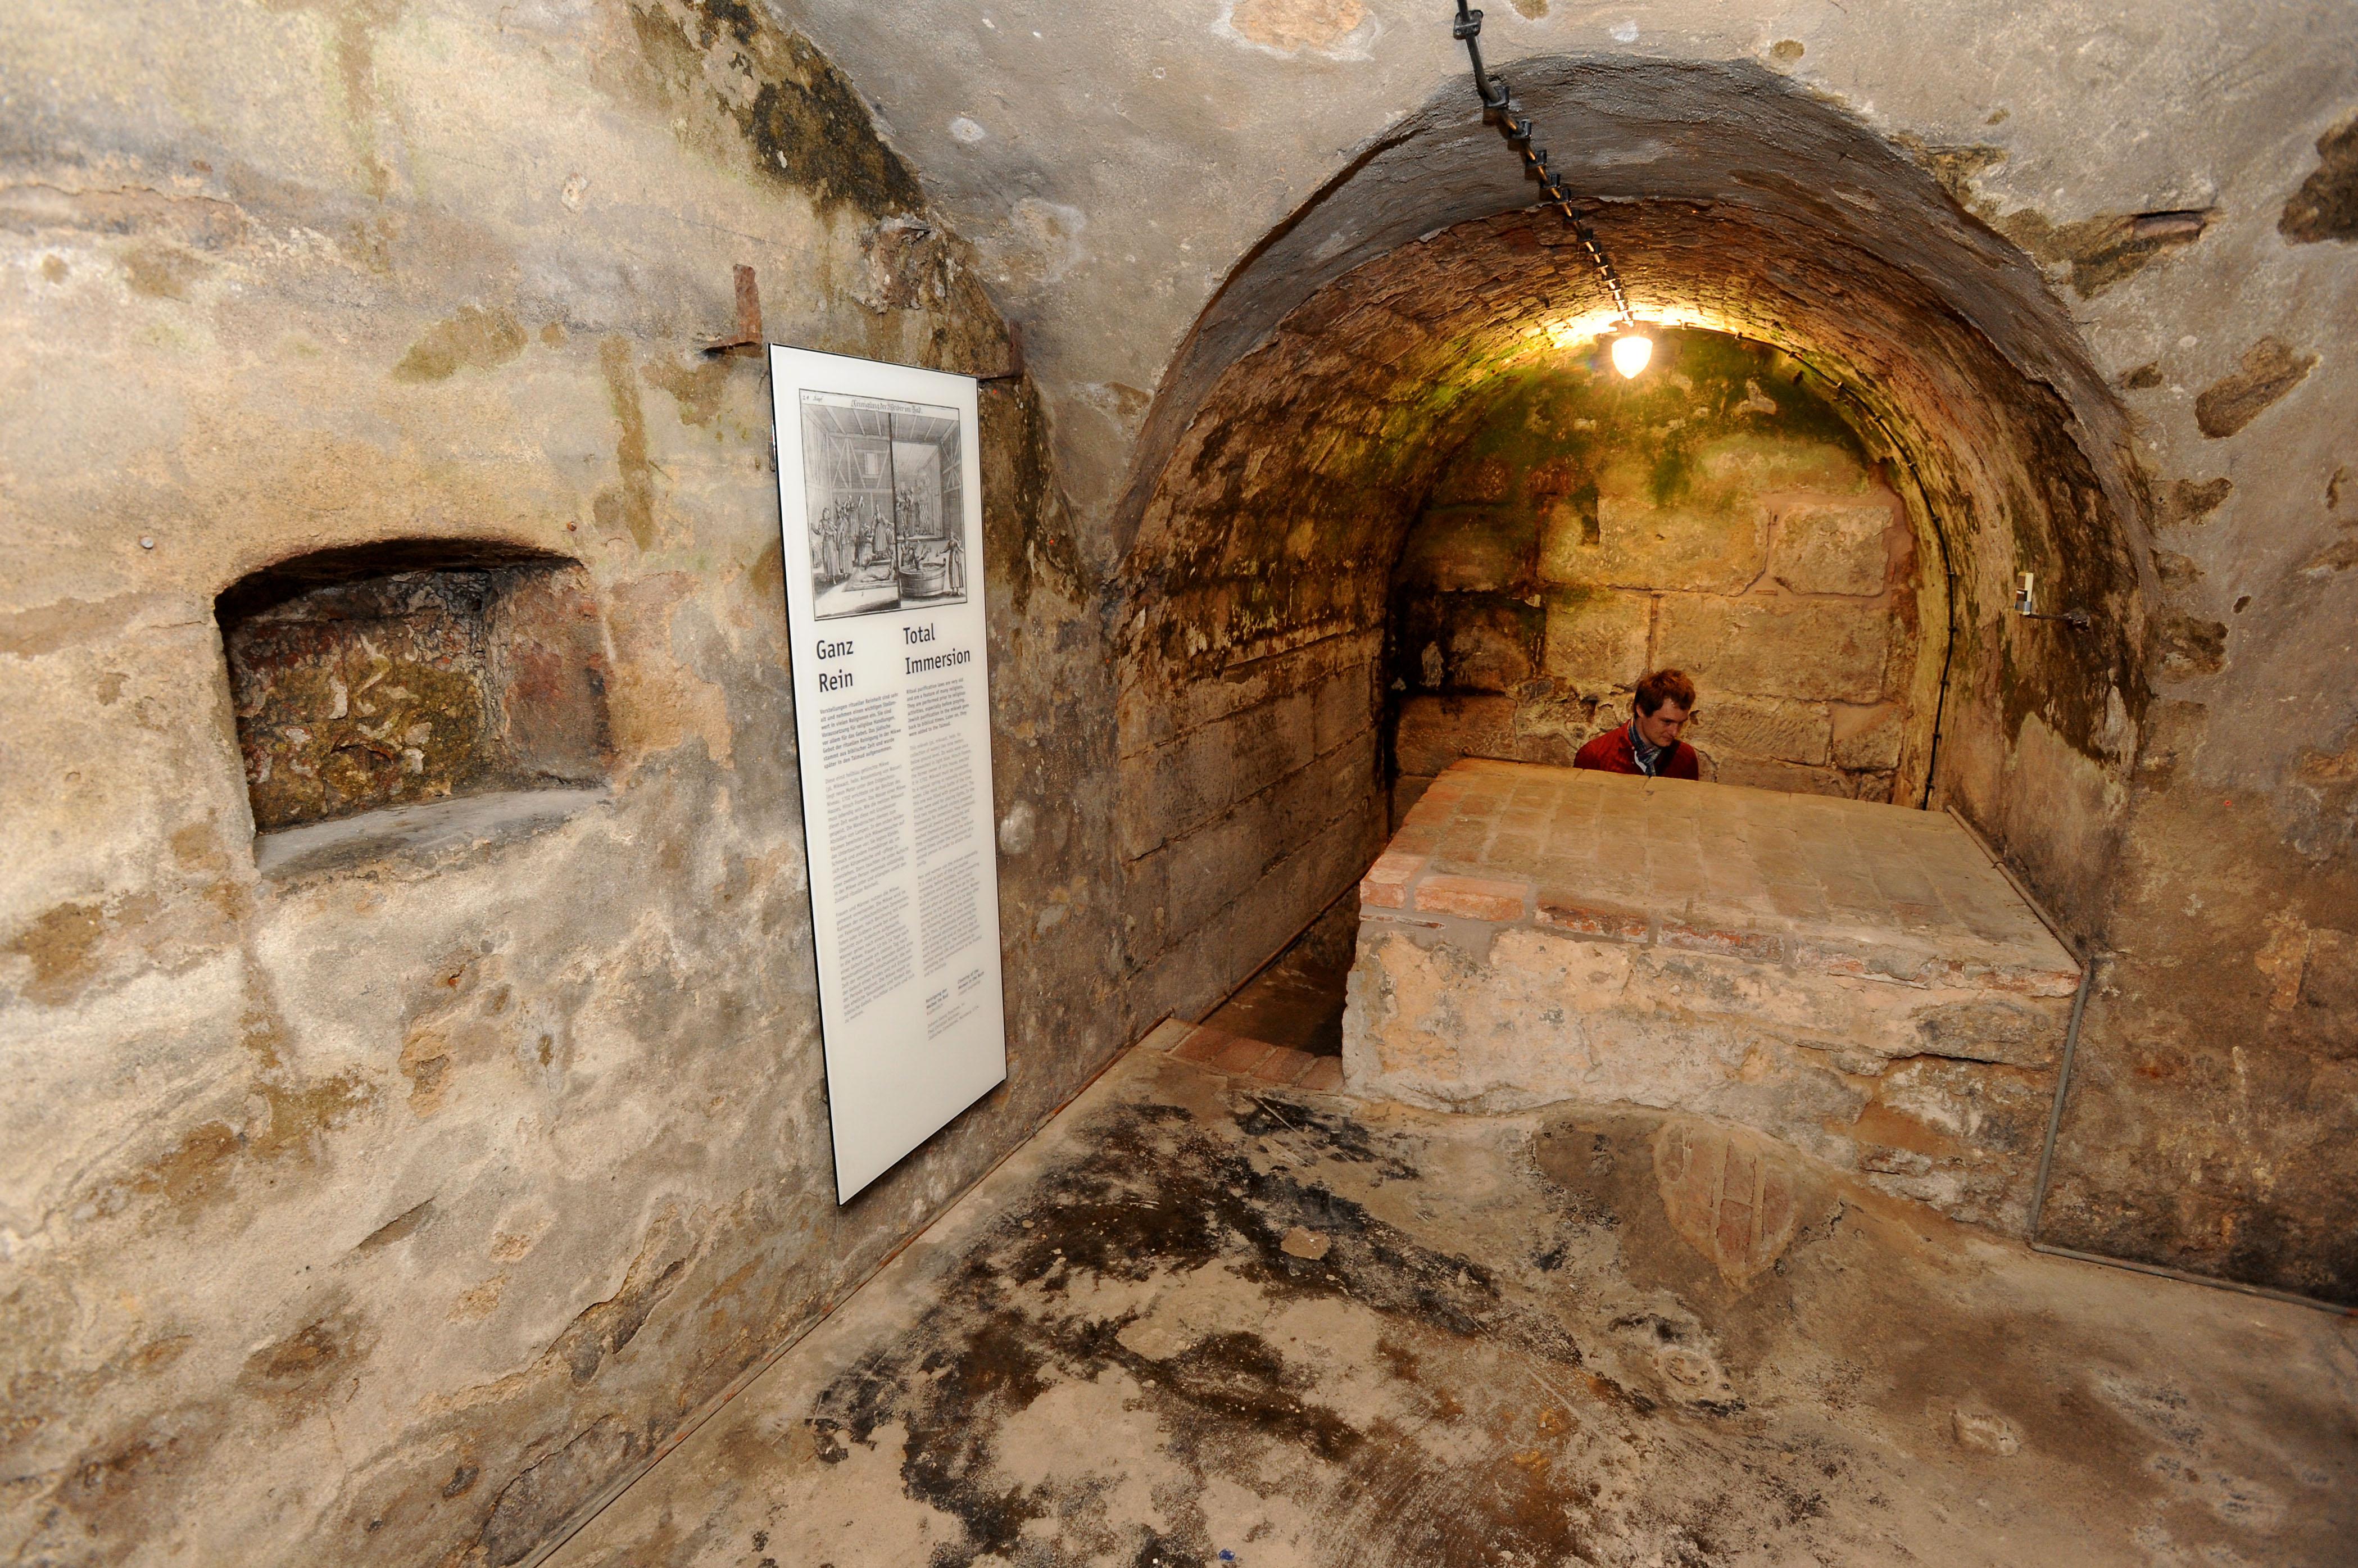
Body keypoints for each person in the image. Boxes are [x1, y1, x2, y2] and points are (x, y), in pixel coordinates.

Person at [1575, 668, 1701, 779]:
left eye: (1681, 724)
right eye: (1667, 722)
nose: (1674, 732)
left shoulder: (1685, 758)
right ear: (1641, 710)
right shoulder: (1595, 757)